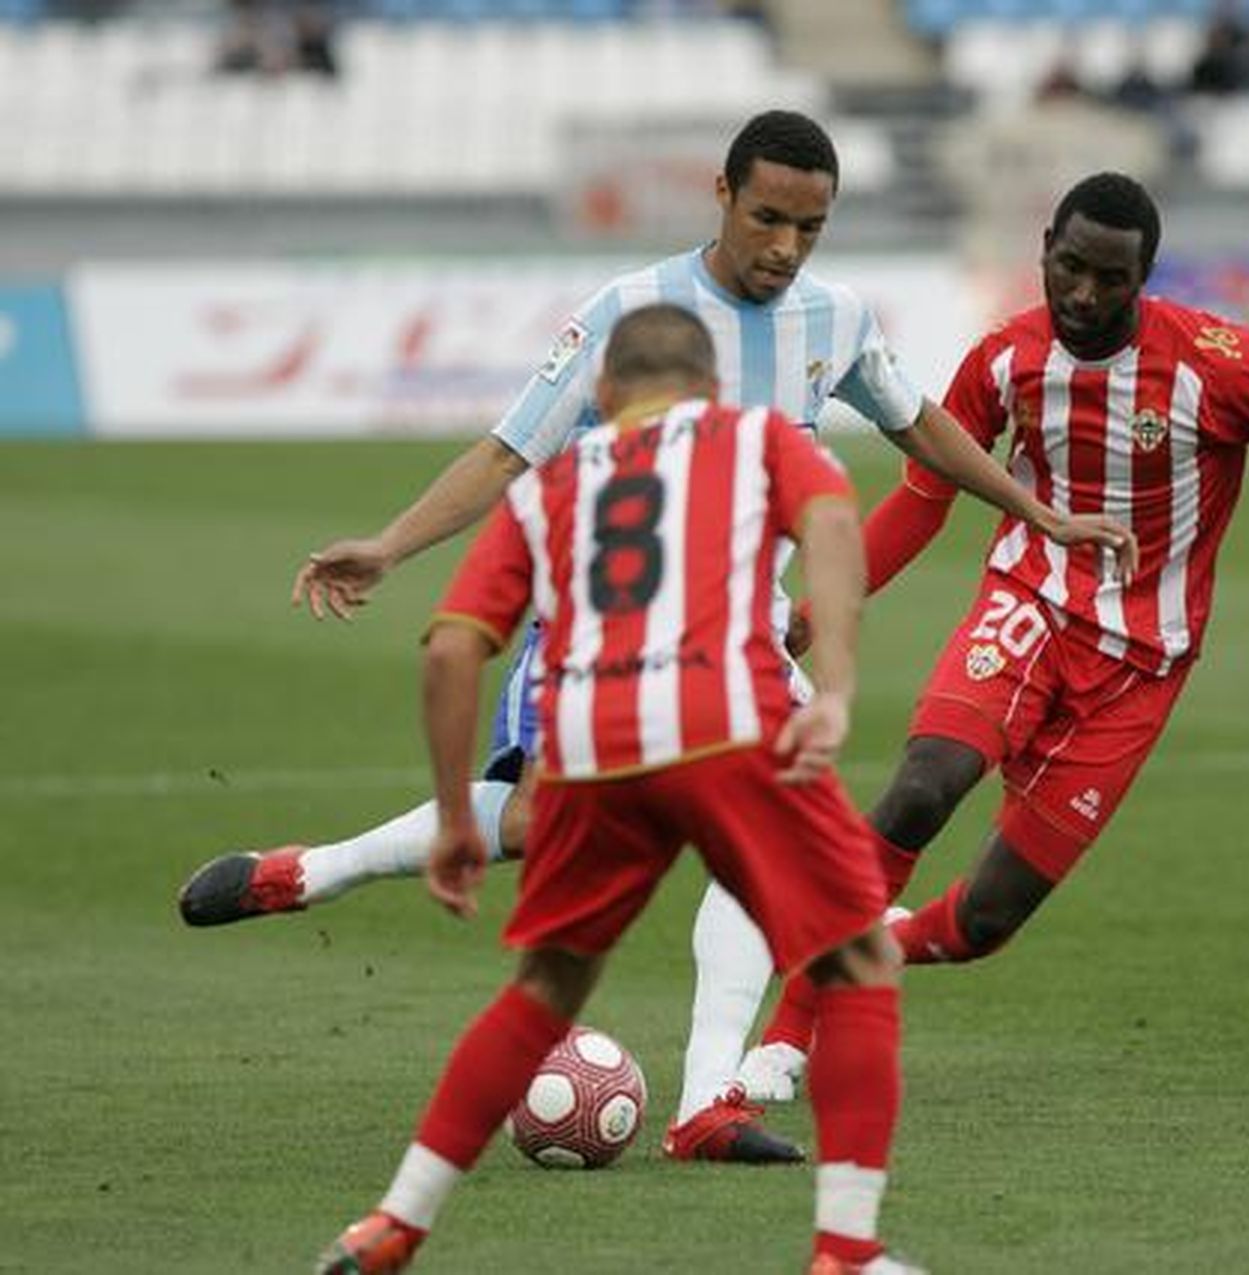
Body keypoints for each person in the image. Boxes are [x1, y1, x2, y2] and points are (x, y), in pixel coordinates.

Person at [177, 111, 1132, 1161]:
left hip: (737, 640)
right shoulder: (630, 312)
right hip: (602, 624)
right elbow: (509, 452)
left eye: (809, 228)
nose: (783, 248)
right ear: (720, 196)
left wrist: (1033, 511)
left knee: (755, 834)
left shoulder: (836, 317)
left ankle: (706, 1102)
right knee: (540, 828)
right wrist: (391, 545)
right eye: (767, 218)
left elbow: (920, 425)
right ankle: (312, 872)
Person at [736, 171, 1249, 1099]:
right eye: (1070, 268)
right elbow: (921, 500)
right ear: (1046, 248)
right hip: (1028, 605)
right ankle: (788, 1034)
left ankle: (875, 946)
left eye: (1112, 279)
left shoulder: (1222, 364)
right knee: (921, 787)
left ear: (1145, 275)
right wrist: (811, 613)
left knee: (986, 919)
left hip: (1142, 665)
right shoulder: (1001, 361)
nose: (1086, 296)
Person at [315, 305, 919, 1275]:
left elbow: (451, 652)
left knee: (543, 993)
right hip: (730, 730)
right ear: (711, 392)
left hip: (589, 752)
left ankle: (394, 1223)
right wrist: (837, 688)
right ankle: (846, 1251)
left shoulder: (547, 492)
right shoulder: (755, 436)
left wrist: (454, 821)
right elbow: (834, 523)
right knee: (854, 965)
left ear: (601, 399)